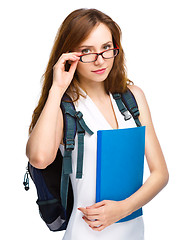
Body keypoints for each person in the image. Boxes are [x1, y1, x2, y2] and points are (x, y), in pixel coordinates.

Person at [26, 8, 169, 240]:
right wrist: (57, 88)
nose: (100, 60)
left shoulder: (133, 97)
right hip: (84, 234)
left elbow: (160, 173)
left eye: (106, 48)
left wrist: (123, 209)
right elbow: (39, 158)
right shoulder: (65, 106)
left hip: (133, 233)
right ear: (69, 55)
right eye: (86, 51)